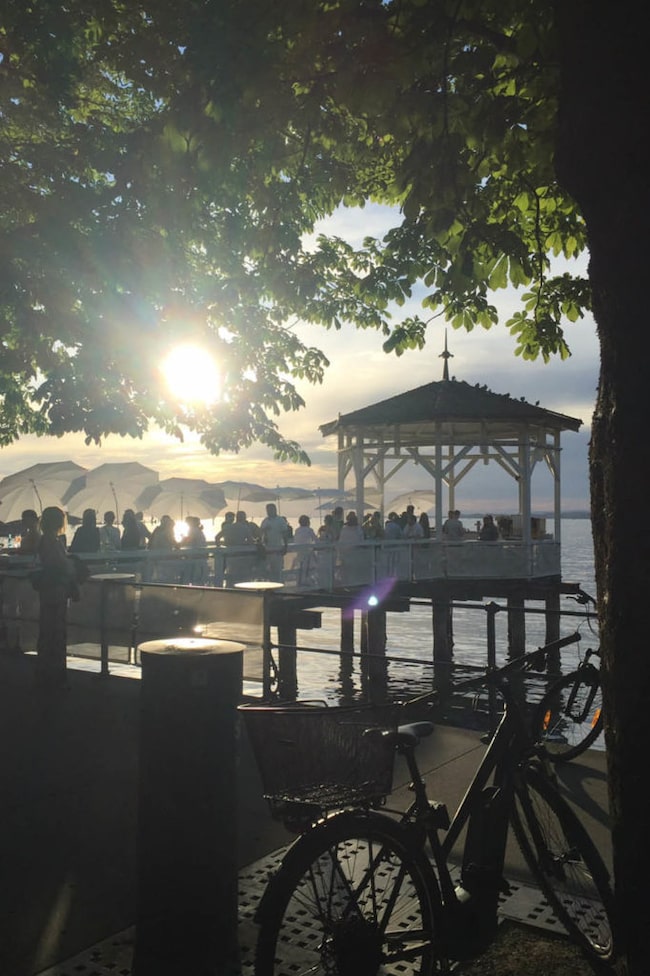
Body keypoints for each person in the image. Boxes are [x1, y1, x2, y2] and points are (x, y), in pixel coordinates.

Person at [34, 506, 78, 688]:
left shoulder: (45, 541)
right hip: (56, 590)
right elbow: (60, 565)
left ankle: (45, 671)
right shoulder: (53, 542)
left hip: (47, 591)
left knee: (47, 630)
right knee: (56, 631)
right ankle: (55, 674)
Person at [260, 502, 290, 582]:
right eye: (267, 510)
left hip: (277, 549)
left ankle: (277, 589)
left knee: (277, 571)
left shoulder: (280, 520)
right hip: (267, 550)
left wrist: (285, 546)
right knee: (267, 571)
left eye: (270, 510)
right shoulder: (265, 521)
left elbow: (285, 534)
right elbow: (261, 534)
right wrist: (264, 531)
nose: (269, 511)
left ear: (275, 509)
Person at [179, 515, 209, 584]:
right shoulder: (197, 530)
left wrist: (182, 539)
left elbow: (189, 540)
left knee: (195, 577)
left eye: (187, 522)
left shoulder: (193, 530)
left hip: (196, 556)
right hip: (200, 556)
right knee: (197, 577)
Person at [148, 514, 179, 582]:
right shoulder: (167, 531)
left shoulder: (157, 530)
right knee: (165, 575)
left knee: (160, 575)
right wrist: (179, 545)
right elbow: (173, 542)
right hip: (164, 556)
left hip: (157, 556)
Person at [292, 514, 318, 586]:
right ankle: (306, 582)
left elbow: (296, 541)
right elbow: (316, 540)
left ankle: (300, 582)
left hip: (299, 552)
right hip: (307, 552)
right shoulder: (309, 530)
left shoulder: (297, 530)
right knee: (309, 568)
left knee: (300, 568)